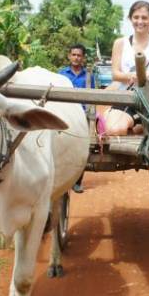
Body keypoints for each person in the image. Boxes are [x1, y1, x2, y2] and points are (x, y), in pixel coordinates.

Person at [102, 0, 149, 136]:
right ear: (130, 18)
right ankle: (137, 128)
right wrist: (131, 76)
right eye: (136, 17)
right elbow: (115, 74)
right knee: (115, 129)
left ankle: (141, 128)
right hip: (126, 98)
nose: (140, 21)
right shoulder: (120, 43)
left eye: (144, 18)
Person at [58, 44, 89, 193]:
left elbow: (93, 95)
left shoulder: (88, 76)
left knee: (82, 145)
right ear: (69, 56)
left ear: (83, 58)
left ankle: (77, 181)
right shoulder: (61, 74)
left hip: (82, 116)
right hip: (63, 112)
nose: (76, 58)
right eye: (74, 55)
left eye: (79, 55)